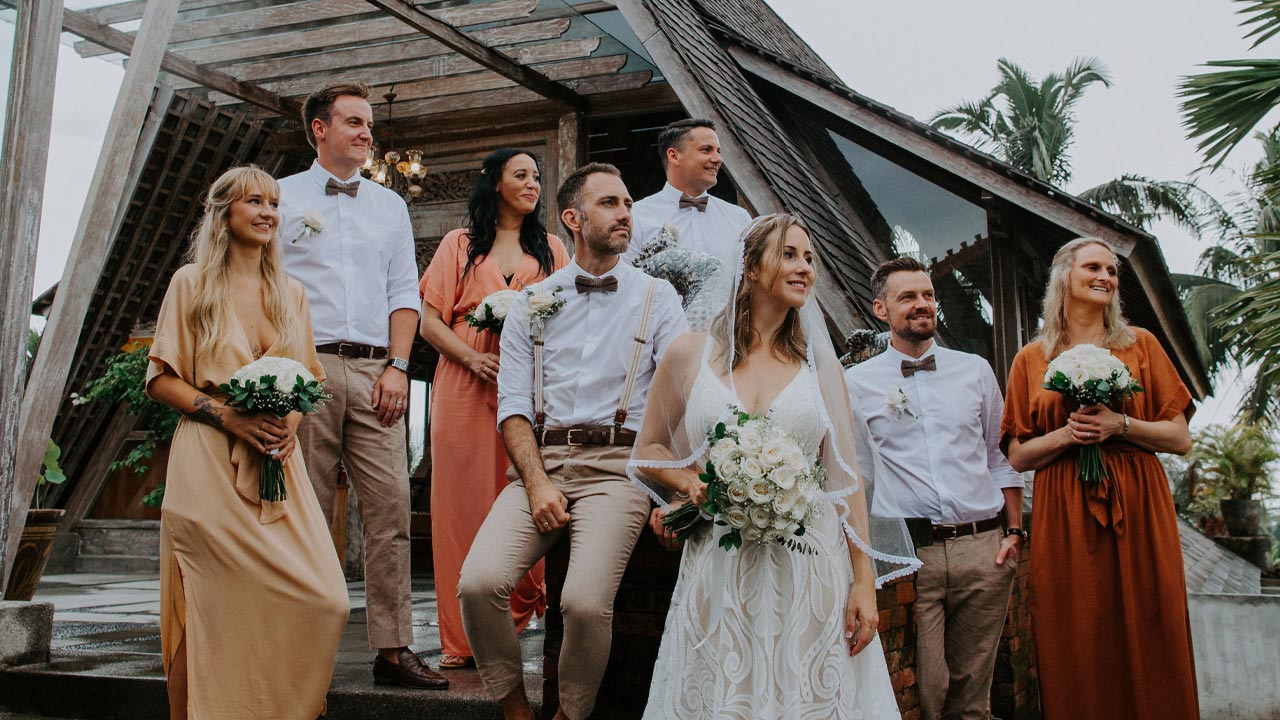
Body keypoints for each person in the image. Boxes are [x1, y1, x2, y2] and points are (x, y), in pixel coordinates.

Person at [629, 214, 919, 719]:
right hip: (720, 560)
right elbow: (648, 448)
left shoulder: (820, 368)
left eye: (809, 258)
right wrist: (691, 482)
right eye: (788, 254)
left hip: (809, 566)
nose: (804, 267)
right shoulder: (689, 353)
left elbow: (846, 478)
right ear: (749, 266)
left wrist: (863, 581)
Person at [457, 163, 688, 720]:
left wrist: (674, 491)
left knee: (583, 603)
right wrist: (536, 483)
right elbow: (513, 407)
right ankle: (515, 710)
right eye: (609, 203)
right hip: (541, 465)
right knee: (478, 584)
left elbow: (682, 401)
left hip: (621, 469)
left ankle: (569, 715)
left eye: (627, 203)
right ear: (573, 219)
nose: (625, 213)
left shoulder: (657, 298)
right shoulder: (531, 302)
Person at [146, 166, 349, 719]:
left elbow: (308, 381)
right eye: (254, 201)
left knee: (326, 598)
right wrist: (227, 417)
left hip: (277, 464)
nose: (267, 212)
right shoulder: (191, 283)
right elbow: (161, 380)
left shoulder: (291, 293)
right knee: (213, 606)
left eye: (274, 203)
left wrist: (291, 427)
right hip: (207, 463)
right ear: (224, 214)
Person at [278, 82, 444, 688]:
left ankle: (394, 649)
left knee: (390, 510)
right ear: (319, 129)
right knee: (305, 511)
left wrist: (399, 366)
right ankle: (301, 648)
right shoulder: (281, 197)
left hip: (378, 371)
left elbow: (404, 292)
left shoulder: (389, 205)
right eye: (353, 122)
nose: (367, 133)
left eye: (369, 124)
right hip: (307, 368)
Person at [1002, 237, 1198, 719]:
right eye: (1094, 267)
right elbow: (1018, 455)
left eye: (1112, 271)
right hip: (1064, 507)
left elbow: (1179, 437)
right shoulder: (1031, 358)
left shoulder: (1140, 345)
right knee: (1074, 624)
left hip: (1138, 500)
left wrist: (1120, 424)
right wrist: (1069, 434)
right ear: (1065, 277)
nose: (1106, 277)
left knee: (1153, 616)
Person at [845, 256, 1025, 720]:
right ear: (881, 309)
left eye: (927, 295)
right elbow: (857, 475)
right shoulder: (856, 383)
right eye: (907, 297)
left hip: (983, 549)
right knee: (926, 692)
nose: (922, 304)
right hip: (912, 554)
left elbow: (1000, 456)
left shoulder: (975, 370)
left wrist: (1013, 532)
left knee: (972, 697)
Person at [419, 148, 570, 669]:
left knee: (526, 492)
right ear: (495, 183)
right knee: (460, 504)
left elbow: (570, 317)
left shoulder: (552, 248)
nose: (532, 184)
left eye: (536, 176)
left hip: (529, 385)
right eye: (520, 175)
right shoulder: (458, 245)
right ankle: (460, 639)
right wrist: (471, 358)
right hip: (465, 383)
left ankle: (519, 607)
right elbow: (430, 322)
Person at [624, 118, 751, 274]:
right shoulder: (636, 216)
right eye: (706, 150)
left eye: (718, 151)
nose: (718, 159)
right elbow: (627, 278)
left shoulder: (739, 219)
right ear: (674, 156)